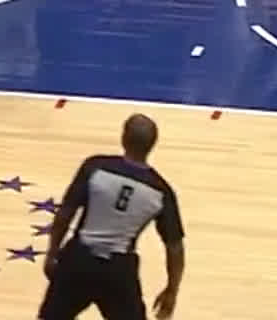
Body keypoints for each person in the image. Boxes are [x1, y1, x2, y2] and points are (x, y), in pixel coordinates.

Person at [37, 114, 185, 320]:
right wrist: (172, 290)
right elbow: (175, 247)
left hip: (79, 260)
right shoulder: (161, 191)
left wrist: (52, 252)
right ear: (153, 145)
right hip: (118, 271)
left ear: (123, 138)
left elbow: (65, 213)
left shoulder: (95, 167)